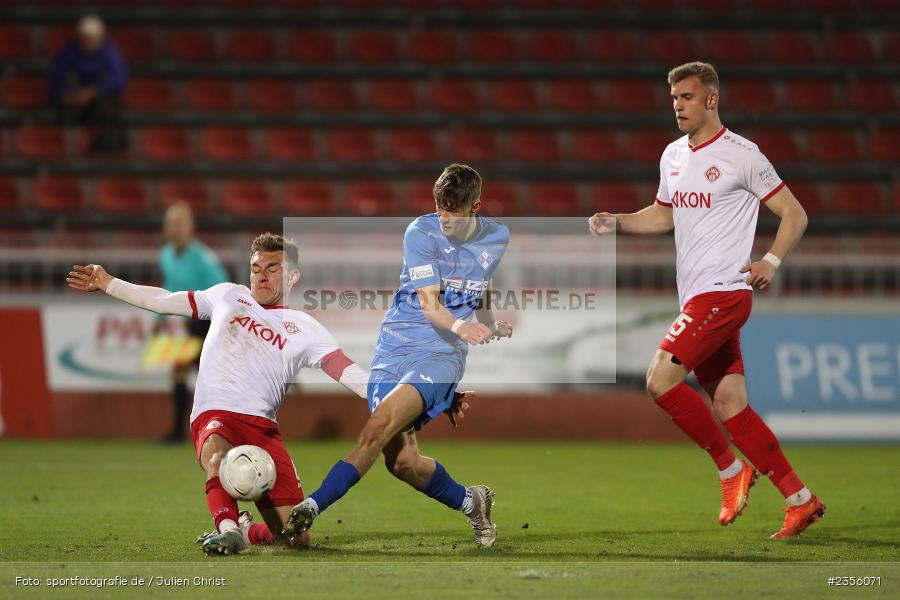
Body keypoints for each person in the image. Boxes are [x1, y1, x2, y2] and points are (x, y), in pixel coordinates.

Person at [588, 62, 824, 539]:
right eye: (674, 97)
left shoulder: (743, 156)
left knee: (660, 379)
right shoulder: (673, 155)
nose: (678, 105)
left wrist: (770, 262)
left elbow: (794, 215)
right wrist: (618, 220)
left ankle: (730, 470)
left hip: (724, 293)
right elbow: (662, 216)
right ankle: (800, 499)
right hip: (696, 297)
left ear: (712, 100)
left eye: (688, 97)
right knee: (731, 405)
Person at [66, 234, 378, 555]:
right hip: (216, 412)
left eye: (273, 268)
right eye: (256, 268)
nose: (262, 275)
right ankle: (227, 528)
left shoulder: (306, 328)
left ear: (293, 276)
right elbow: (163, 299)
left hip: (264, 429)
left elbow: (347, 372)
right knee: (216, 455)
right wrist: (109, 283)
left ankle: (245, 530)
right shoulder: (228, 295)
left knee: (295, 539)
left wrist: (395, 400)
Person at [283, 164, 512, 548]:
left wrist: (490, 321)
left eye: (454, 208)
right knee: (401, 463)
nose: (445, 216)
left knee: (378, 426)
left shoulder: (497, 237)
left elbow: (480, 283)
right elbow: (429, 305)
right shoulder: (420, 233)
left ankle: (311, 506)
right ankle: (472, 502)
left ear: (476, 206)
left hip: (442, 354)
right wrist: (463, 326)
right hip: (395, 348)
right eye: (440, 206)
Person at [157, 202, 229, 443]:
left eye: (179, 223)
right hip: (190, 322)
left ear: (191, 227)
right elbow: (169, 288)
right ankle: (179, 432)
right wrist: (157, 318)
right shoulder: (166, 255)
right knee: (179, 372)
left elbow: (225, 290)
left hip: (210, 322)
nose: (174, 228)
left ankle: (217, 432)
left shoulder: (203, 258)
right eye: (171, 223)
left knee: (205, 378)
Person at [49, 14, 128, 152]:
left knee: (107, 109)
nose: (89, 43)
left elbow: (119, 79)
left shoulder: (109, 52)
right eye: (86, 39)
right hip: (75, 101)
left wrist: (93, 92)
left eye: (93, 39)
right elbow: (56, 78)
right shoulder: (70, 51)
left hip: (99, 100)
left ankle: (104, 146)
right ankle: (63, 149)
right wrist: (68, 95)